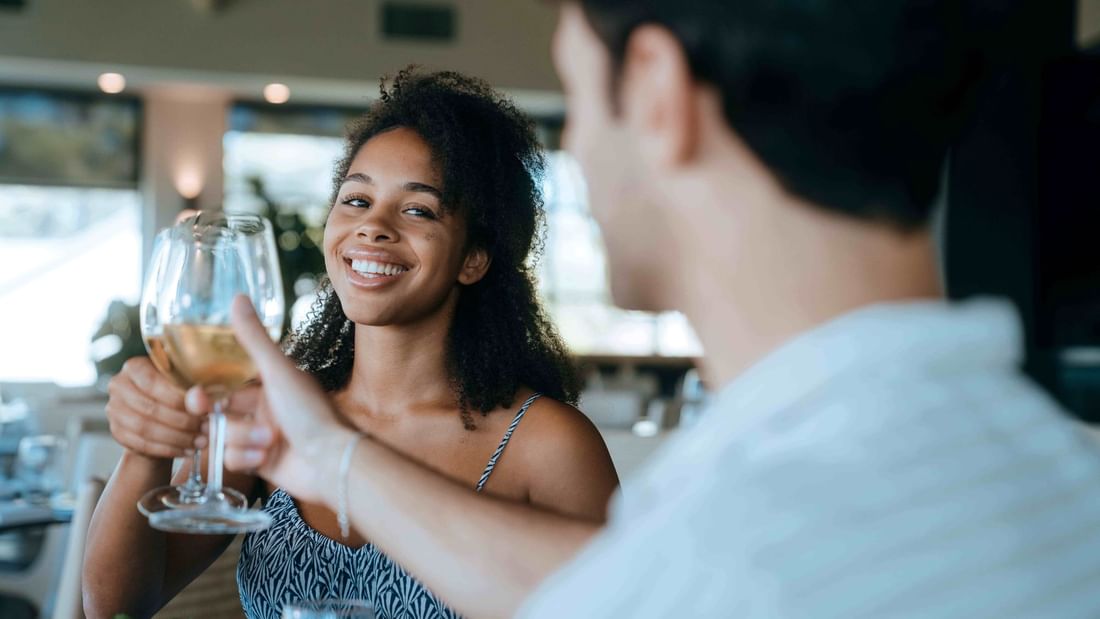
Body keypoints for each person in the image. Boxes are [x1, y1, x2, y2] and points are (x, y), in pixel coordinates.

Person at [206, 0, 1100, 617]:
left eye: (580, 97)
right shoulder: (1059, 480)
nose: (583, 152)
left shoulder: (745, 544)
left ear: (658, 90)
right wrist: (332, 457)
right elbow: (599, 587)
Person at [82, 68, 619, 619]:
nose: (373, 227)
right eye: (357, 200)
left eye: (418, 210)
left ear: (473, 258)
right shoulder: (278, 416)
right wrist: (145, 451)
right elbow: (116, 605)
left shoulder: (546, 445)